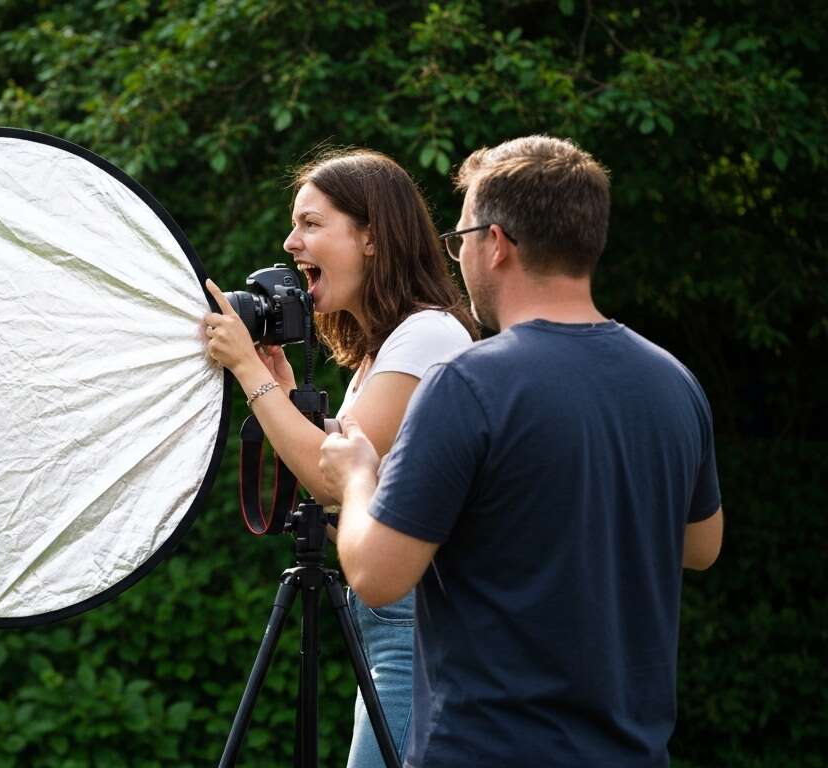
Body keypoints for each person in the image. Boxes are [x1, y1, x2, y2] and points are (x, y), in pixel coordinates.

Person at [318, 135, 724, 767]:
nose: (458, 258)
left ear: (496, 243)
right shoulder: (672, 381)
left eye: (460, 241)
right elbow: (702, 547)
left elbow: (376, 576)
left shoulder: (469, 385)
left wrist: (357, 480)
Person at [201, 148, 476, 767]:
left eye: (311, 224)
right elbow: (352, 469)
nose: (290, 242)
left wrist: (250, 371)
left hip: (412, 632)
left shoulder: (428, 334)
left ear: (372, 236)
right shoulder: (385, 352)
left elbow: (326, 473)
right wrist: (276, 381)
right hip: (391, 631)